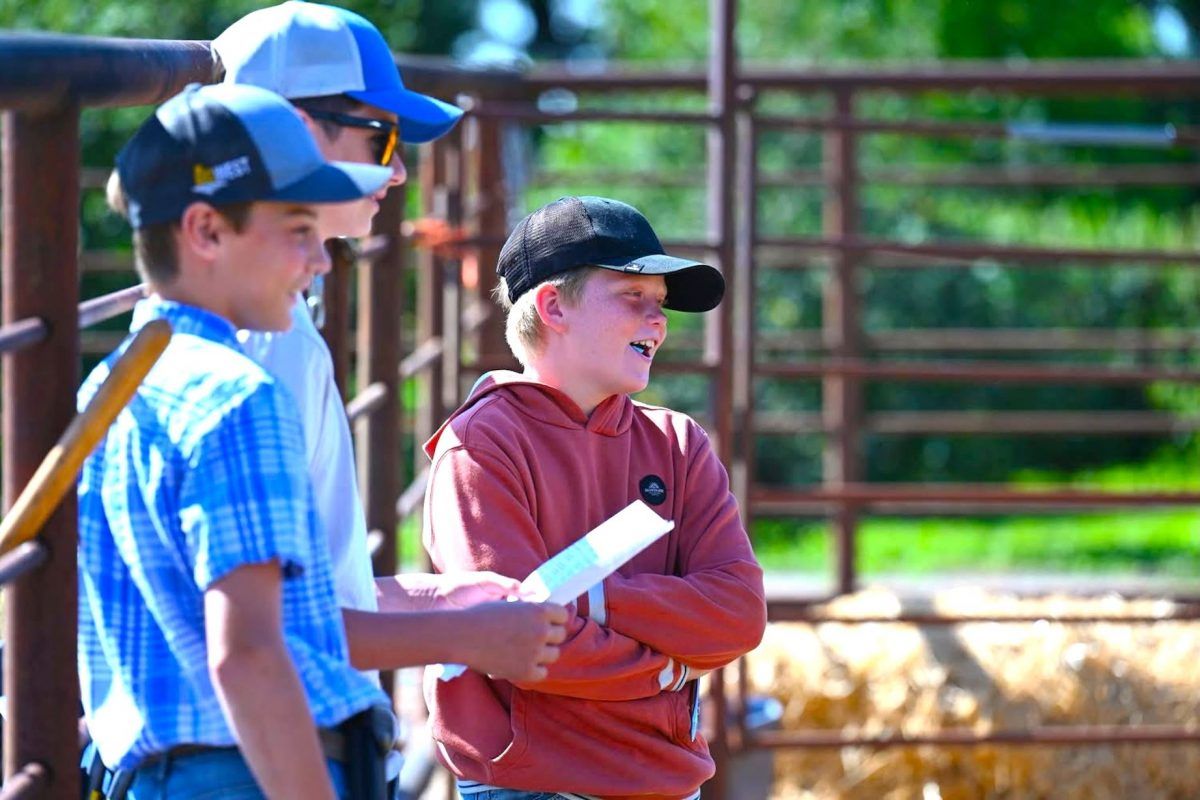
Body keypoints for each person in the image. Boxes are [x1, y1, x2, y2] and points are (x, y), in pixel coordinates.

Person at [211, 0, 568, 680]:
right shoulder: (262, 342)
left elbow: (284, 601)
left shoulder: (267, 323)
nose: (400, 171)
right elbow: (263, 633)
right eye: (380, 138)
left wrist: (438, 602)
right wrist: (462, 638)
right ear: (295, 132)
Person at [78, 81, 404, 799]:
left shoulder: (110, 386)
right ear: (206, 232)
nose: (320, 261)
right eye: (297, 231)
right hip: (248, 774)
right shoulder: (240, 397)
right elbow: (250, 654)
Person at [421, 196, 768, 799]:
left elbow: (739, 611)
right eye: (633, 297)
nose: (657, 321)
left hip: (669, 780)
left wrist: (589, 601)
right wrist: (668, 667)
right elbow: (514, 637)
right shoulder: (480, 443)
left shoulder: (678, 442)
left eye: (660, 305)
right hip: (535, 786)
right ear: (553, 306)